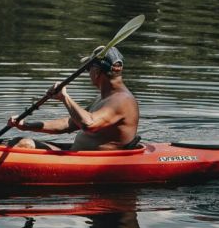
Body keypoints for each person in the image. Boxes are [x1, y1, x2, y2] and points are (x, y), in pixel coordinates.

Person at [7, 46, 139, 150]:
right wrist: (26, 125)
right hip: (77, 153)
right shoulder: (105, 97)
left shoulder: (122, 101)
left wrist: (65, 97)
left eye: (88, 69)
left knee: (23, 144)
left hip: (91, 162)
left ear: (97, 72)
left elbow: (88, 124)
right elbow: (69, 124)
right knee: (19, 142)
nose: (88, 74)